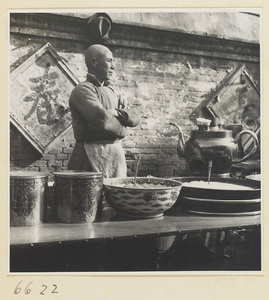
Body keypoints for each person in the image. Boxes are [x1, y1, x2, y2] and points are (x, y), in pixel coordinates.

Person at [67, 44, 140, 178]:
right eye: (109, 60)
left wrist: (116, 113)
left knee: (115, 196)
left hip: (114, 156)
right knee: (90, 198)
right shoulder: (83, 90)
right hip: (89, 157)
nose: (113, 66)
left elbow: (136, 117)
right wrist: (124, 129)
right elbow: (104, 121)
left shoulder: (112, 91)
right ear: (94, 62)